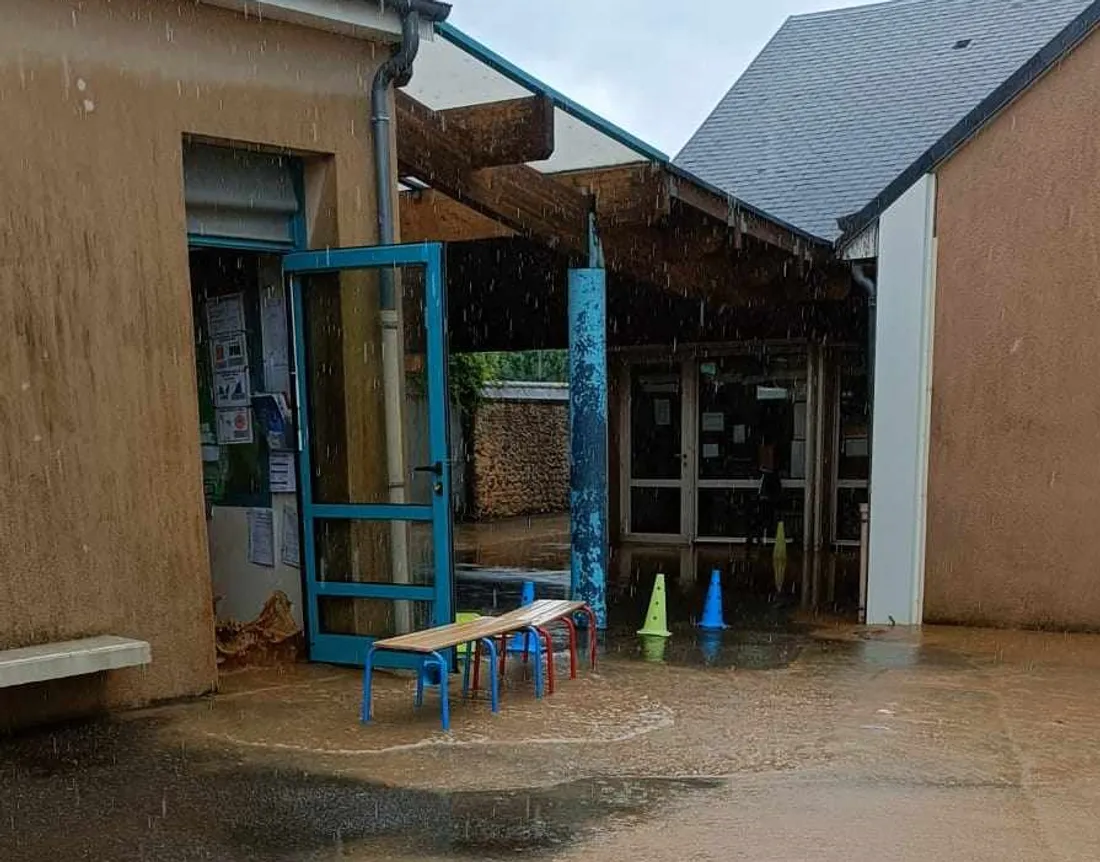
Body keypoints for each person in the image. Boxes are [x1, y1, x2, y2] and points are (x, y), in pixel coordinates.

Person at [753, 428, 782, 547]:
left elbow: (774, 488)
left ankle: (766, 538)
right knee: (761, 519)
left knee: (767, 518)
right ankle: (760, 538)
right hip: (763, 498)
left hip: (768, 499)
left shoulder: (772, 475)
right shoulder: (761, 473)